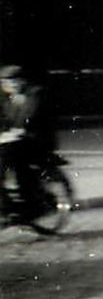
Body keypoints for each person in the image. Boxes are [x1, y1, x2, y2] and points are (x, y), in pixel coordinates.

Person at [0, 67, 54, 217]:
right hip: (15, 141)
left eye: (13, 82)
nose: (9, 86)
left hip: (37, 140)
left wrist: (21, 130)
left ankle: (30, 205)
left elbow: (33, 114)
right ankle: (6, 203)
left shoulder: (35, 94)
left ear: (22, 81)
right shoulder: (8, 99)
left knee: (11, 159)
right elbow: (4, 120)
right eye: (5, 82)